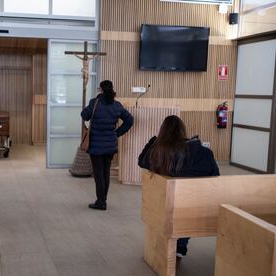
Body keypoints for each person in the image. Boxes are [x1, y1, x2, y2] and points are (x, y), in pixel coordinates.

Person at [138, 115, 219, 258]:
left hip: (164, 204)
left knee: (173, 206)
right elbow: (215, 176)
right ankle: (180, 246)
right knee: (187, 207)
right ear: (183, 131)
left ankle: (168, 247)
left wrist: (153, 141)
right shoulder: (203, 152)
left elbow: (142, 161)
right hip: (195, 206)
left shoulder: (160, 152)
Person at [81, 80, 133, 210]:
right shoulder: (116, 105)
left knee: (99, 174)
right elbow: (129, 120)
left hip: (96, 146)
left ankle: (101, 202)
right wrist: (117, 133)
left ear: (101, 90)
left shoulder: (95, 103)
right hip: (110, 145)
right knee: (106, 173)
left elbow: (84, 115)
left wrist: (93, 102)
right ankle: (103, 200)